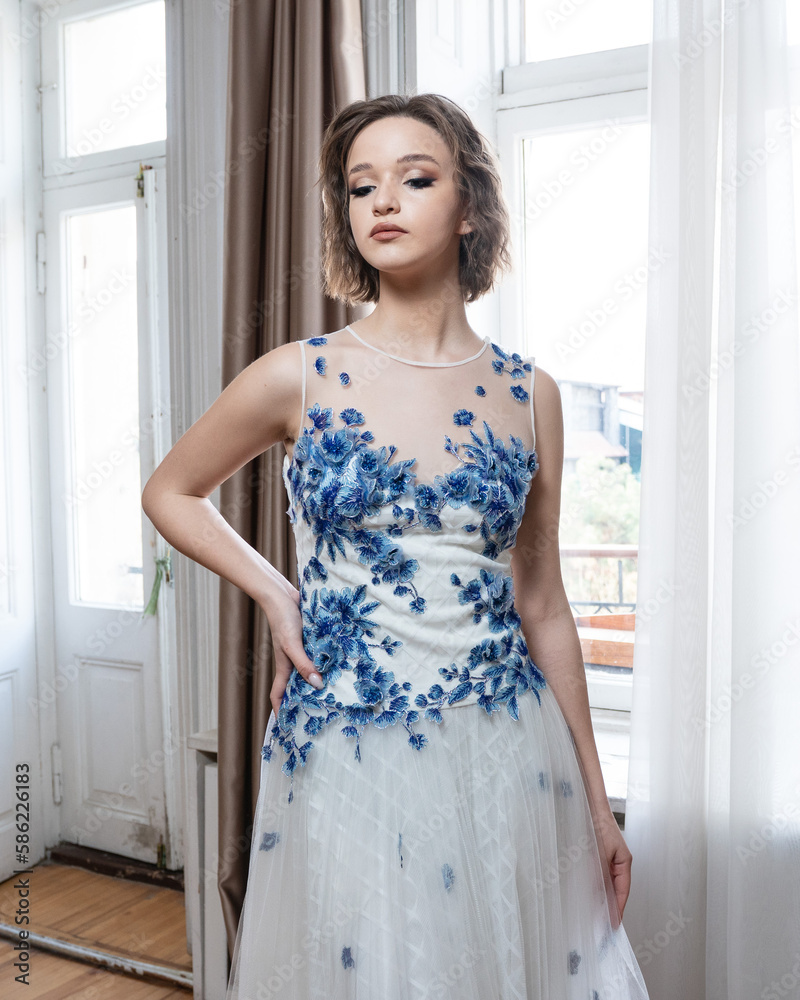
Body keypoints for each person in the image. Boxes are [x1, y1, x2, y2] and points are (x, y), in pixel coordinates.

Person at [142, 92, 650, 1000]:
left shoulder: (531, 393)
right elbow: (170, 491)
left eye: (415, 179)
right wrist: (277, 593)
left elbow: (542, 602)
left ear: (470, 207)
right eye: (359, 185)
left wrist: (597, 805)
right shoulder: (298, 375)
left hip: (505, 749)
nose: (381, 200)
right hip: (347, 747)